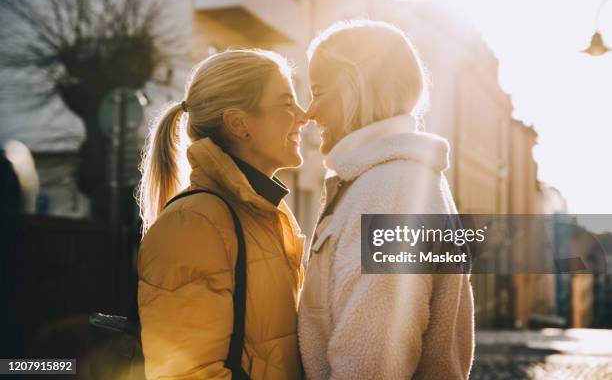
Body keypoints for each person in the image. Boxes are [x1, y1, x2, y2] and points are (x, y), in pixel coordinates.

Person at [298, 20, 474, 379]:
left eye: (318, 91)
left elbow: (370, 362)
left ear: (355, 89)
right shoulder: (387, 182)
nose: (309, 112)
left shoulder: (391, 194)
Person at [137, 49, 308, 379]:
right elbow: (186, 374)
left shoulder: (261, 212)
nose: (304, 116)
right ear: (239, 123)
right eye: (287, 104)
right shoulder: (194, 223)